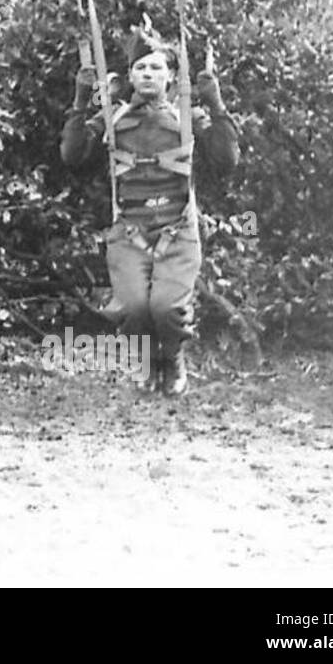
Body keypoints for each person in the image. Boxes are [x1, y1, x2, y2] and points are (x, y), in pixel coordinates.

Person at [60, 31, 240, 395]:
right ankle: (145, 360)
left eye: (156, 67)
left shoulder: (187, 115)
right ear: (130, 76)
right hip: (130, 231)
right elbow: (72, 155)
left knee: (166, 308)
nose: (147, 74)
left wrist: (216, 102)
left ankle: (172, 358)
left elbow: (227, 159)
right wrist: (83, 99)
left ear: (170, 75)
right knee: (133, 308)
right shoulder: (114, 117)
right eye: (140, 67)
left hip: (177, 230)